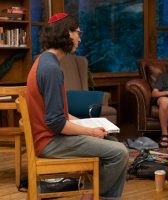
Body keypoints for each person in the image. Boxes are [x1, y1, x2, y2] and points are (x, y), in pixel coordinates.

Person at [25, 13, 128, 200]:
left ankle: (96, 194)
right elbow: (56, 123)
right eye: (77, 33)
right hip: (50, 142)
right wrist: (90, 132)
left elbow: (59, 114)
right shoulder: (51, 69)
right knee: (119, 152)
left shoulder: (44, 61)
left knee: (112, 144)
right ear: (66, 33)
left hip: (51, 137)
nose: (79, 38)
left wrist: (85, 124)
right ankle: (91, 195)